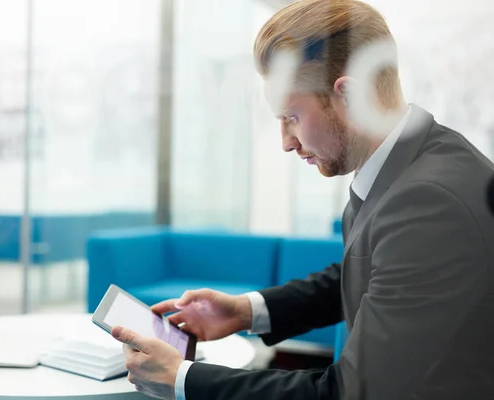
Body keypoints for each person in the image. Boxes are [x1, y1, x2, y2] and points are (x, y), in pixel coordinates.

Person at [110, 0, 494, 399]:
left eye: (290, 117)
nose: (285, 143)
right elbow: (366, 275)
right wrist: (245, 311)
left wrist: (182, 379)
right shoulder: (406, 166)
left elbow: (353, 392)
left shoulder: (430, 203)